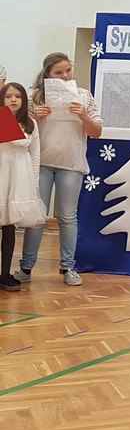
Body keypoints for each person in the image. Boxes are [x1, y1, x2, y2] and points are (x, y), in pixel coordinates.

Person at [17, 53, 103, 286]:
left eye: (68, 70)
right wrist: (34, 118)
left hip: (71, 164)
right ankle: (26, 267)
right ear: (48, 74)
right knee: (36, 216)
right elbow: (19, 132)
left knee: (67, 216)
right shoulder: (34, 97)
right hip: (40, 163)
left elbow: (97, 132)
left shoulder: (84, 96)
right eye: (58, 72)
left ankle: (68, 267)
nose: (65, 76)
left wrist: (83, 115)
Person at [0, 82, 46, 290]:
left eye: (17, 96)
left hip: (19, 178)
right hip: (2, 175)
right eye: (8, 96)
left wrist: (33, 181)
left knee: (10, 227)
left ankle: (5, 273)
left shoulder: (30, 124)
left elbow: (35, 154)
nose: (13, 99)